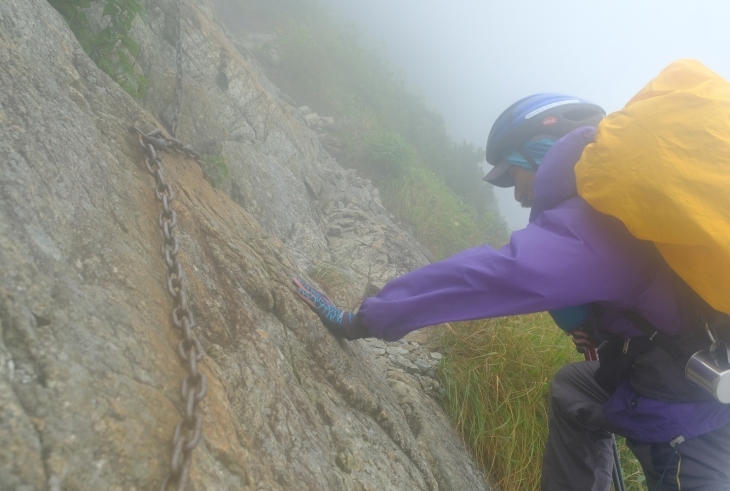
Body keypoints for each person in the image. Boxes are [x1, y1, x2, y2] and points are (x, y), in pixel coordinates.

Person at [293, 93, 730, 490]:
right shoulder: (611, 210)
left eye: (511, 173)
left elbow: (485, 277)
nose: (515, 192)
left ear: (545, 149)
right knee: (574, 388)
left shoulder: (596, 222)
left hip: (690, 423)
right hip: (670, 380)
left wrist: (362, 320)